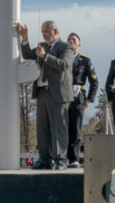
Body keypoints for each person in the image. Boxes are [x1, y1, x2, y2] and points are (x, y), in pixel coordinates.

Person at [16, 20, 74, 170]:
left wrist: (45, 56)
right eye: (42, 32)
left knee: (58, 128)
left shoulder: (66, 47)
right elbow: (28, 55)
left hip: (58, 94)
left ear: (55, 31)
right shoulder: (42, 47)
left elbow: (64, 65)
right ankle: (44, 159)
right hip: (42, 92)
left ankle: (60, 160)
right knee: (43, 129)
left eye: (46, 32)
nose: (44, 35)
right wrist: (25, 38)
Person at [66, 32, 98, 169]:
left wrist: (89, 99)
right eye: (69, 39)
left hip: (77, 96)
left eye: (74, 39)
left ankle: (73, 158)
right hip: (61, 96)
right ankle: (61, 157)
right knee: (61, 127)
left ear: (79, 43)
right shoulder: (62, 58)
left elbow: (94, 82)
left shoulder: (85, 60)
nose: (71, 41)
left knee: (75, 127)